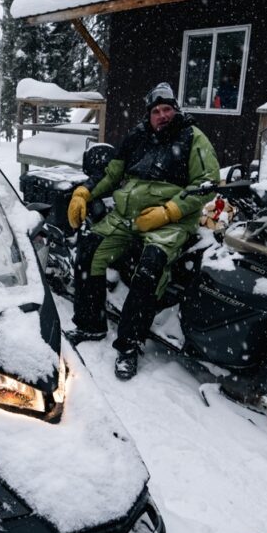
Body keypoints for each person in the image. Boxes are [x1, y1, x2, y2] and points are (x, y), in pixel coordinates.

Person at [67, 82, 220, 380]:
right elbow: (112, 174)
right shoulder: (137, 137)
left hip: (171, 221)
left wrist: (170, 211)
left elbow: (207, 183)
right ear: (149, 115)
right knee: (89, 247)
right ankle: (90, 325)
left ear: (175, 110)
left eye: (167, 109)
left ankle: (128, 346)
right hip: (128, 215)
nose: (162, 115)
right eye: (156, 111)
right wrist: (83, 192)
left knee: (150, 266)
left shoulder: (192, 138)